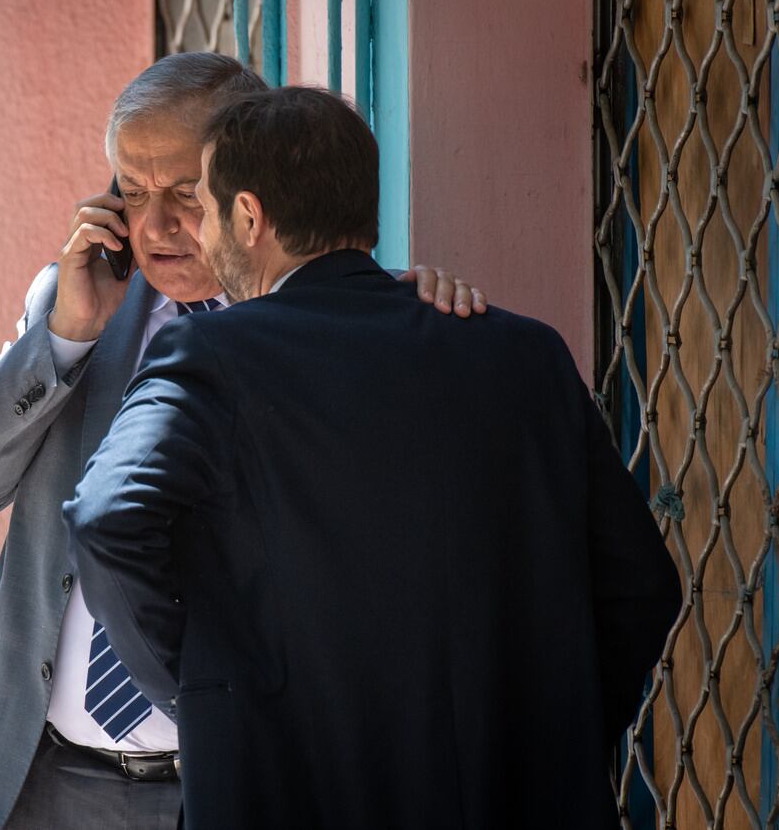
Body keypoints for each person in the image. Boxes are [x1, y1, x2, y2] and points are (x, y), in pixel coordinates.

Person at [63, 86, 682, 829]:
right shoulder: (526, 351)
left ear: (250, 218)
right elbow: (643, 587)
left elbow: (104, 516)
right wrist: (549, 737)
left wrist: (199, 686)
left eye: (209, 207)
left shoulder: (207, 355)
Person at [0, 54, 488, 829]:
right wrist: (62, 339)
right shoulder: (81, 302)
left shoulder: (335, 324)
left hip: (241, 781)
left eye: (185, 192)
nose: (155, 227)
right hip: (50, 773)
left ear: (247, 187)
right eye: (132, 192)